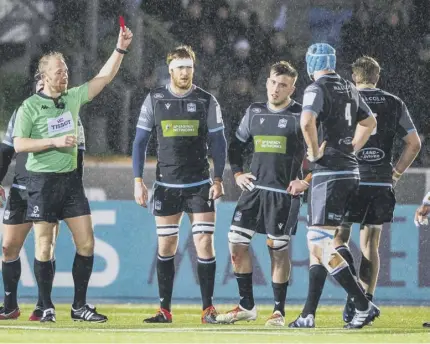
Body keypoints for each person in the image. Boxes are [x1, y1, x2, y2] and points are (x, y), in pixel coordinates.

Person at [288, 55, 421, 327]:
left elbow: (327, 139)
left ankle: (358, 300)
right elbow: (415, 143)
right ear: (377, 76)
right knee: (370, 244)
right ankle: (365, 298)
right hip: (380, 182)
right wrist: (394, 173)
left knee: (334, 239)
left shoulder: (344, 96)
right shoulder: (394, 102)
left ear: (354, 76)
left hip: (347, 177)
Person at [12, 26, 133, 323]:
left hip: (70, 183)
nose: (64, 75)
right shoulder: (30, 107)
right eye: (58, 71)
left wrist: (120, 49)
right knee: (44, 244)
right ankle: (45, 305)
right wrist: (53, 142)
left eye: (65, 70)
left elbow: (103, 79)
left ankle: (79, 306)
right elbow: (19, 144)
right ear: (43, 77)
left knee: (87, 243)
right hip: (42, 182)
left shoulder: (72, 98)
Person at [132, 45, 226, 324]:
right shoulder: (155, 99)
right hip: (166, 184)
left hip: (200, 183)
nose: (185, 72)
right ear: (170, 69)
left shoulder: (207, 100)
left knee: (204, 242)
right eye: (180, 67)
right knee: (167, 246)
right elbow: (139, 142)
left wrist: (219, 178)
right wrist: (138, 180)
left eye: (189, 67)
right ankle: (165, 310)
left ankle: (208, 309)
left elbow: (219, 143)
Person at [288, 43, 378, 330]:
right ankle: (308, 314)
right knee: (319, 244)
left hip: (328, 173)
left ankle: (363, 305)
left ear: (310, 64)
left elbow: (306, 122)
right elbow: (370, 122)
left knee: (319, 243)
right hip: (350, 171)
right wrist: (351, 147)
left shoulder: (316, 88)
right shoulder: (349, 87)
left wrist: (314, 153)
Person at [214, 61, 303, 327]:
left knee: (277, 251)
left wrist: (306, 181)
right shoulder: (253, 112)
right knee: (235, 244)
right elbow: (236, 146)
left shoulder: (301, 115)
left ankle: (278, 311)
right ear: (267, 82)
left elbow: (320, 151)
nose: (276, 89)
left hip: (282, 194)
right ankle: (246, 306)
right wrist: (238, 173)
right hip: (253, 191)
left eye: (283, 85)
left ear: (292, 88)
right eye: (274, 82)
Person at [0, 78, 88, 321]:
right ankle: (10, 306)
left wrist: (72, 189)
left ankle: (43, 305)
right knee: (8, 247)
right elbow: (7, 150)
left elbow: (78, 156)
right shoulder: (24, 111)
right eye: (39, 88)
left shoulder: (71, 117)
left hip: (52, 187)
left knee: (45, 246)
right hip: (21, 188)